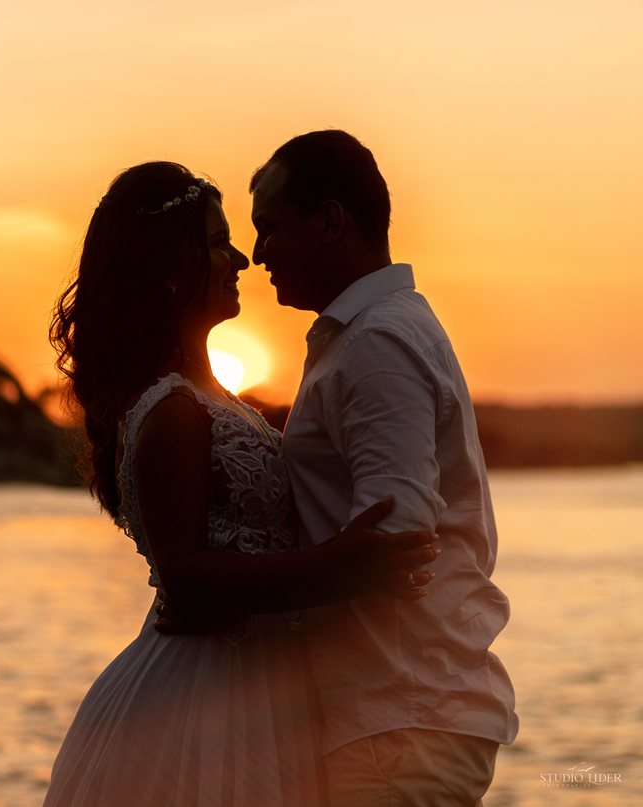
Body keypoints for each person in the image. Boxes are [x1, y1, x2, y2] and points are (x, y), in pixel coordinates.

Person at [43, 161, 440, 807]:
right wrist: (339, 568)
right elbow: (184, 575)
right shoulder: (172, 409)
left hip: (257, 691)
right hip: (201, 697)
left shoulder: (211, 398)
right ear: (171, 268)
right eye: (217, 242)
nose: (240, 259)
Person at [249, 130, 518, 806]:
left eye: (270, 227)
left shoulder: (375, 342)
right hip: (395, 716)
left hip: (400, 720)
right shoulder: (369, 334)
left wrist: (222, 588)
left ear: (330, 222)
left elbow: (393, 541)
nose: (258, 253)